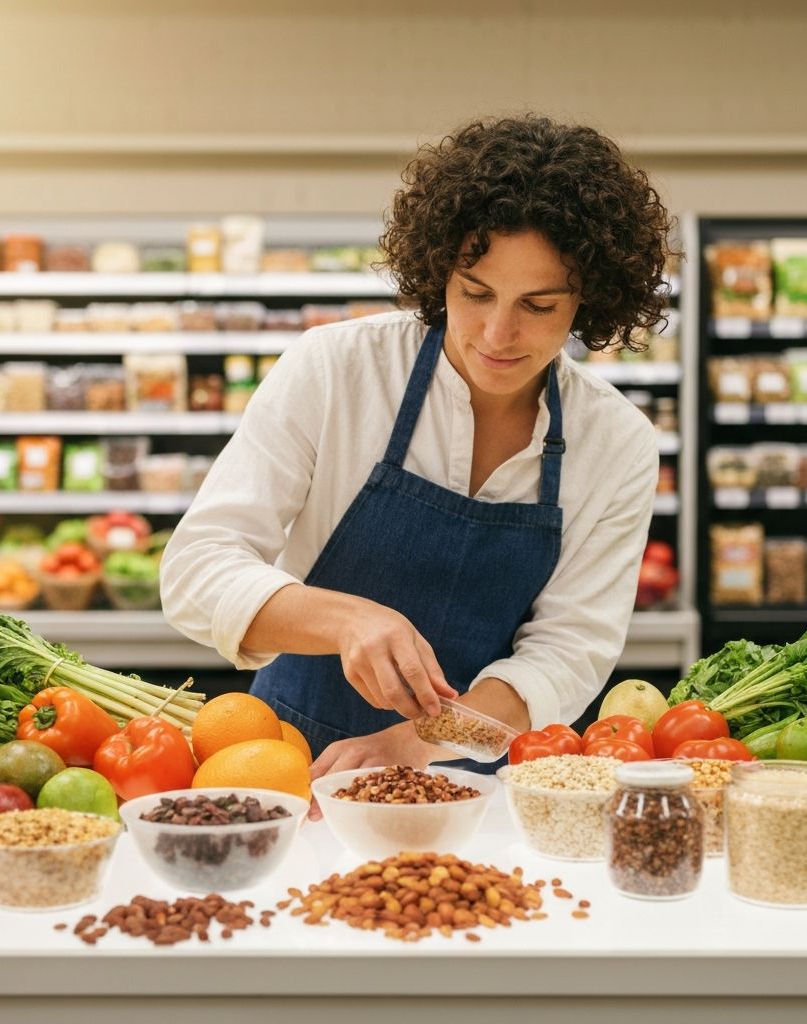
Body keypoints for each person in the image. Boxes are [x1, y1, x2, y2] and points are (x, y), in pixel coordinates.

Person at [160, 113, 675, 781]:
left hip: (476, 786)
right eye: (476, 293)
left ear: (590, 299)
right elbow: (197, 569)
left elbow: (568, 651)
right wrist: (346, 621)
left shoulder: (616, 442)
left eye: (539, 305)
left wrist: (422, 742)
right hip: (287, 766)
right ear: (439, 272)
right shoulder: (337, 369)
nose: (498, 332)